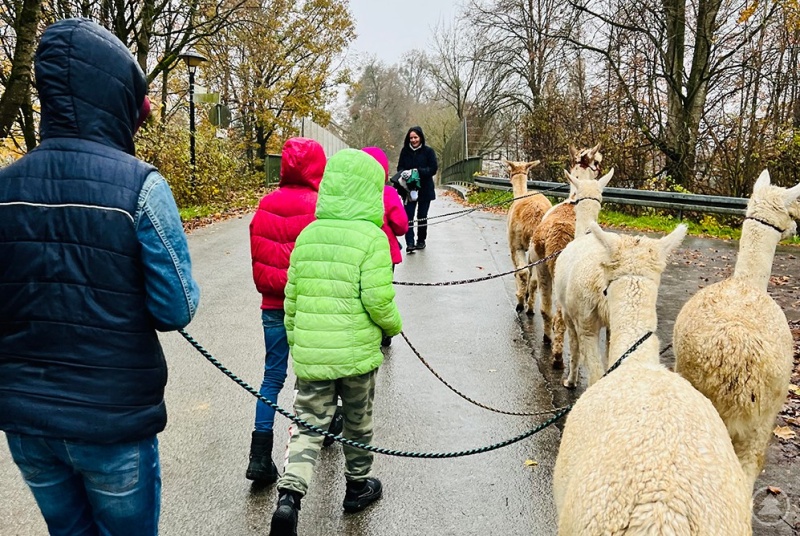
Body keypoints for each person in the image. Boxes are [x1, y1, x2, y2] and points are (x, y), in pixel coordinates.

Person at [0, 18, 200, 536]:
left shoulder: (5, 186)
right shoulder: (141, 187)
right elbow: (175, 308)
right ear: (115, 96)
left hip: (26, 420)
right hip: (112, 420)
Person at [269, 149, 403, 536]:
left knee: (307, 425)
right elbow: (378, 300)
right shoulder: (372, 238)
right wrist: (393, 325)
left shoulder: (308, 235)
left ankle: (289, 497)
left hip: (313, 354)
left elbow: (291, 299)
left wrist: (297, 341)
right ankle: (357, 487)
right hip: (357, 356)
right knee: (358, 423)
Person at [247, 137, 328, 483]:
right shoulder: (319, 206)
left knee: (272, 376)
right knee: (313, 376)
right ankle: (317, 434)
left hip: (272, 305)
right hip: (307, 304)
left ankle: (259, 454)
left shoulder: (265, 205)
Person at [363, 146, 408, 347]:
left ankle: (365, 329)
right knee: (381, 292)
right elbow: (401, 226)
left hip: (359, 251)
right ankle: (384, 331)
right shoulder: (387, 193)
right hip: (385, 253)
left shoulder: (351, 193)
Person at [396, 126, 439, 253]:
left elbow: (433, 169)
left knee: (422, 216)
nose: (413, 140)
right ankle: (410, 242)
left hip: (425, 189)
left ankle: (421, 240)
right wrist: (405, 173)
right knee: (408, 216)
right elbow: (400, 167)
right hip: (408, 190)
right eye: (411, 138)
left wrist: (417, 172)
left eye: (415, 137)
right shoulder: (405, 151)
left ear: (420, 137)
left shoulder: (428, 151)